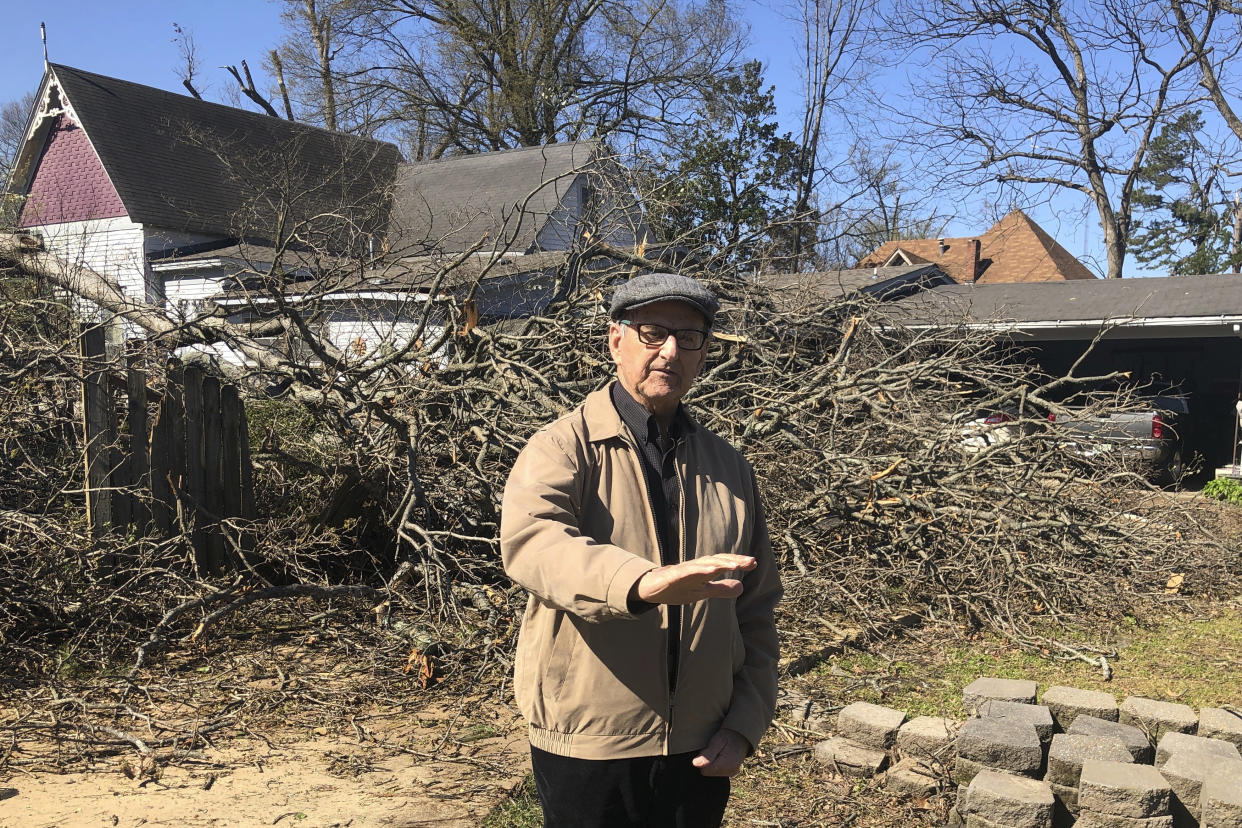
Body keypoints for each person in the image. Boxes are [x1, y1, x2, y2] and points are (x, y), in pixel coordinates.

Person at [500, 272, 782, 828]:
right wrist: (639, 583)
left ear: (705, 352)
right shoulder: (562, 446)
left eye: (690, 337)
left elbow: (757, 609)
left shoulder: (729, 466)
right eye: (652, 332)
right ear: (616, 340)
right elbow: (534, 541)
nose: (671, 351)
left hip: (701, 746)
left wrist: (745, 723)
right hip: (589, 740)